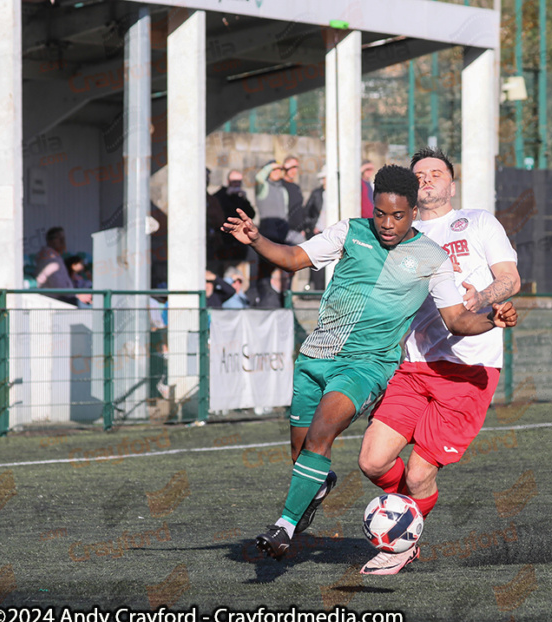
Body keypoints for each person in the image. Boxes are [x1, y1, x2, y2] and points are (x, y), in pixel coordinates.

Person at [222, 165, 518, 563]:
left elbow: (455, 320)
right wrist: (256, 239)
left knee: (323, 432)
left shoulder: (433, 257)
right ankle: (318, 484)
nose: (387, 224)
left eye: (398, 215)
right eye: (380, 214)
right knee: (303, 451)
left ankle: (284, 528)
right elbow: (293, 258)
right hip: (316, 357)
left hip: (367, 365)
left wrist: (490, 320)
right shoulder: (350, 232)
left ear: (413, 212)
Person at [356, 147, 521, 575]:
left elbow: (510, 278)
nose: (427, 179)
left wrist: (482, 300)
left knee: (417, 474)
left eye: (436, 173)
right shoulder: (394, 234)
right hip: (411, 367)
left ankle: (401, 539)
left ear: (452, 182)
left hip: (469, 370)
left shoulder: (479, 221)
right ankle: (402, 516)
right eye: (420, 175)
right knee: (372, 461)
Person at [253, 160, 291, 306]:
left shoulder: (282, 190)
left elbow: (285, 212)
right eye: (274, 170)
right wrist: (270, 166)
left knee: (283, 271)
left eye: (278, 170)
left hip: (281, 237)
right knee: (265, 271)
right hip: (266, 237)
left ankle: (283, 300)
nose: (277, 172)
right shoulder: (263, 187)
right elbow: (258, 179)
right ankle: (264, 301)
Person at [213, 170, 256, 266]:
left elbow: (251, 214)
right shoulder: (221, 194)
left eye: (239, 182)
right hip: (224, 238)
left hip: (239, 240)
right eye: (234, 181)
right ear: (228, 182)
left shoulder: (240, 196)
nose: (237, 184)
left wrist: (245, 199)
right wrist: (228, 195)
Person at [35, 227, 78, 305]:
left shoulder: (54, 255)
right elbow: (58, 285)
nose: (62, 241)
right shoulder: (49, 256)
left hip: (58, 297)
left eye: (63, 238)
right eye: (59, 238)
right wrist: (76, 295)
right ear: (50, 240)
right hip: (54, 299)